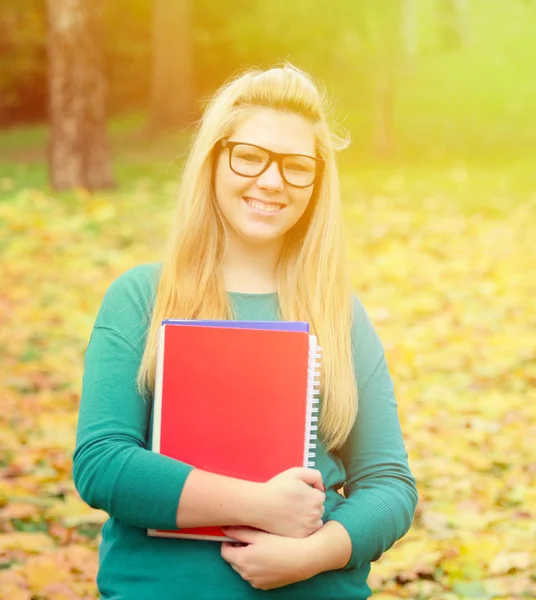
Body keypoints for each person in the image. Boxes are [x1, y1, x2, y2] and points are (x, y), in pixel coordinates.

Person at [73, 63, 418, 600]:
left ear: (317, 181)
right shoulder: (142, 297)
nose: (272, 181)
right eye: (250, 157)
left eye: (297, 166)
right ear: (213, 160)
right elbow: (103, 463)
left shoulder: (339, 314)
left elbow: (389, 485)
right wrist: (257, 504)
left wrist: (311, 555)